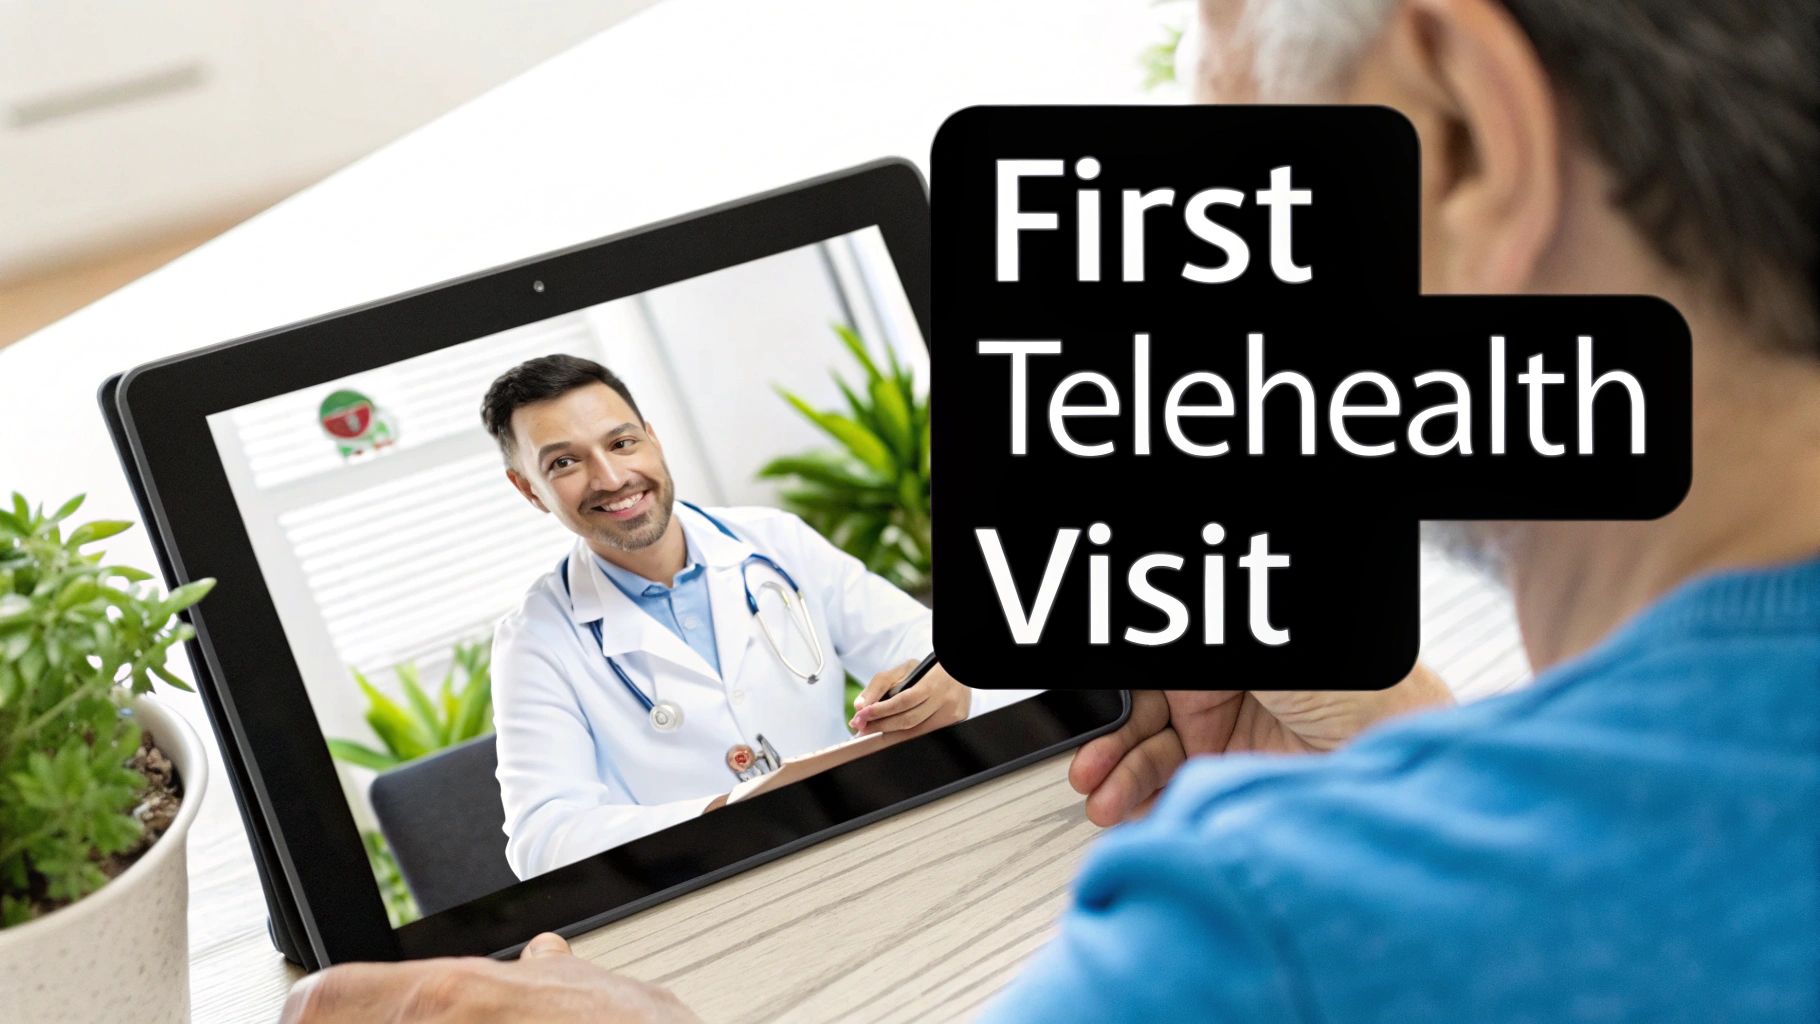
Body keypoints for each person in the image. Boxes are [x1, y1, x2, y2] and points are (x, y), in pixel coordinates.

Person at [282, 0, 1819, 1018]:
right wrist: (1426, 759)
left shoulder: (1256, 934)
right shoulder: (538, 634)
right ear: (525, 486)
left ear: (1468, 141)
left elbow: (963, 654)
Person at [479, 354, 987, 878]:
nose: (611, 477)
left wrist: (950, 678)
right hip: (715, 886)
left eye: (622, 442)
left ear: (653, 439)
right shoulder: (534, 639)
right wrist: (725, 812)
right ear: (528, 489)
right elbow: (543, 841)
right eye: (564, 463)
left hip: (871, 837)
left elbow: (928, 643)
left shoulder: (774, 540)